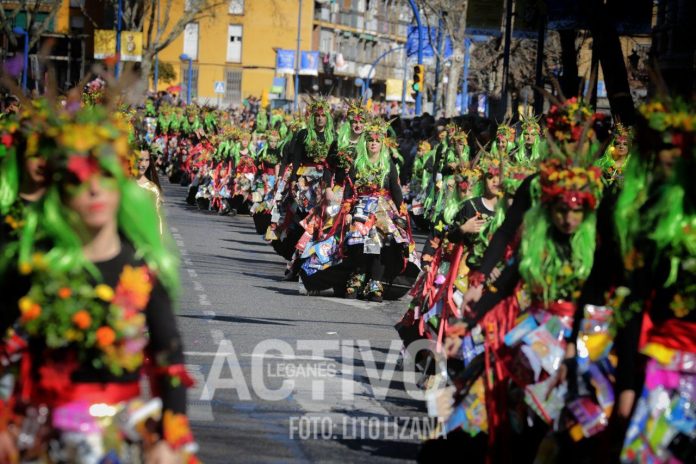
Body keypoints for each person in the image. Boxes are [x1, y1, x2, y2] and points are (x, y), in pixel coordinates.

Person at [0, 104, 198, 463]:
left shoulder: (143, 272)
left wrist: (170, 440)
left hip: (118, 438)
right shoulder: (34, 263)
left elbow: (170, 360)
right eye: (77, 179)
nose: (93, 191)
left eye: (104, 176)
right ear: (60, 189)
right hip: (42, 435)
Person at [342, 118, 416, 302]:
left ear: (382, 143)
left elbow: (396, 190)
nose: (373, 143)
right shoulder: (357, 163)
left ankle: (376, 281)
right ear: (365, 142)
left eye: (376, 140)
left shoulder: (388, 164)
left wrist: (401, 211)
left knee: (381, 243)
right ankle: (357, 276)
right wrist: (347, 211)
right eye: (370, 140)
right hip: (361, 206)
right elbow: (349, 190)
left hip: (383, 208)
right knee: (357, 240)